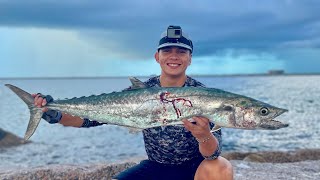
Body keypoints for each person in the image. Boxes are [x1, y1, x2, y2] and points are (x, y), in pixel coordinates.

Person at [33, 25, 234, 180]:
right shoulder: (139, 93)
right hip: (155, 167)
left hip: (195, 169)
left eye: (181, 52)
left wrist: (204, 135)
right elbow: (89, 120)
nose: (174, 56)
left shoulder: (205, 95)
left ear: (190, 58)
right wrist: (56, 115)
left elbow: (213, 154)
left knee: (220, 166)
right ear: (157, 57)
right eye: (167, 51)